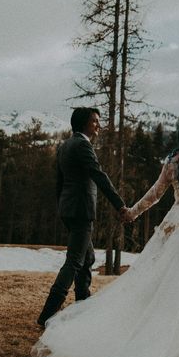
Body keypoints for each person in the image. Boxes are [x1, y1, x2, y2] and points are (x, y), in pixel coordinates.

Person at [32, 117, 179, 357]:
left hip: (177, 225)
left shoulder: (173, 162)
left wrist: (132, 212)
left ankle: (168, 332)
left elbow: (154, 194)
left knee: (166, 281)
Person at [36, 107, 127, 327]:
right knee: (75, 261)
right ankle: (47, 315)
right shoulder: (83, 145)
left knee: (87, 259)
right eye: (95, 121)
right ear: (83, 123)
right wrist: (120, 205)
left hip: (69, 209)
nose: (98, 125)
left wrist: (62, 207)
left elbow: (59, 182)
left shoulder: (65, 145)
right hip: (81, 210)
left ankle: (82, 306)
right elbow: (98, 175)